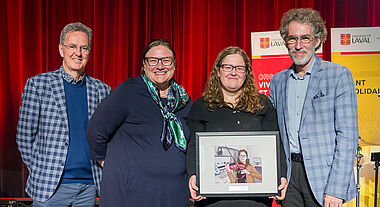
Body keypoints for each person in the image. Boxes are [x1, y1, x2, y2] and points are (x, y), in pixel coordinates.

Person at [269, 8, 359, 207]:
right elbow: (274, 134)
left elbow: (348, 136)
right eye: (292, 39)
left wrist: (336, 188)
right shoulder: (277, 81)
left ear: (317, 41)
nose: (298, 46)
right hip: (289, 177)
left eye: (305, 38)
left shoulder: (338, 75)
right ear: (285, 42)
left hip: (324, 179)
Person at [86, 39, 192, 206]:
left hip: (172, 194)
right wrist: (107, 163)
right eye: (153, 60)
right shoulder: (129, 90)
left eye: (166, 60)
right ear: (144, 64)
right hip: (132, 193)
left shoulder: (184, 100)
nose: (160, 66)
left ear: (174, 64)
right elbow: (96, 130)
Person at [16, 22, 111, 206]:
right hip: (51, 187)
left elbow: (107, 136)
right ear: (61, 49)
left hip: (88, 187)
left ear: (89, 51)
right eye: (72, 47)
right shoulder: (38, 85)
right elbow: (24, 137)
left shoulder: (102, 90)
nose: (79, 53)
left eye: (84, 48)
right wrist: (41, 171)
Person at [186, 46, 287, 207]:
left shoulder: (263, 104)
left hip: (256, 199)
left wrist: (280, 175)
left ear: (246, 73)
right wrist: (193, 174)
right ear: (218, 71)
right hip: (214, 199)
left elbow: (276, 145)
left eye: (239, 68)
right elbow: (193, 146)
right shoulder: (201, 106)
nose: (233, 72)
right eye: (228, 67)